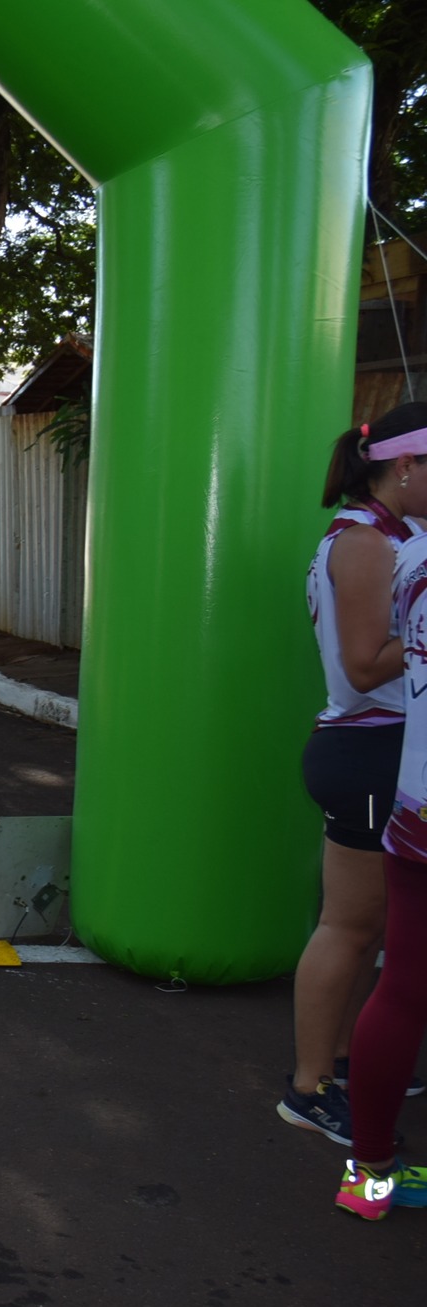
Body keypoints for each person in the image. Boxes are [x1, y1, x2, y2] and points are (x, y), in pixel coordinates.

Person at [287, 401, 427, 1147]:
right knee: (348, 925)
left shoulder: (394, 535)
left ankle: (350, 1059)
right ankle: (309, 1088)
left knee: (371, 925)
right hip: (368, 749)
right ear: (404, 468)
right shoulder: (367, 542)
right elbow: (369, 664)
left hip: (381, 748)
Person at [337, 404, 427, 1218]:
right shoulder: (374, 548)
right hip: (377, 764)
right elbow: (365, 669)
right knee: (365, 948)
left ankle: (369, 1178)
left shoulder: (412, 557)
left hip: (415, 804)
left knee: (400, 984)